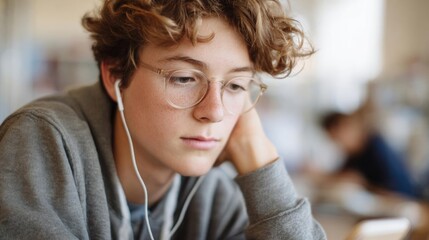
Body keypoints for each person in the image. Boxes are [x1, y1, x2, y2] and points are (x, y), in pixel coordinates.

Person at [0, 0, 326, 239]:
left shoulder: (212, 195)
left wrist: (260, 162)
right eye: (184, 78)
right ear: (115, 74)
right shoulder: (43, 141)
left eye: (236, 85)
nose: (213, 111)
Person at [320, 108, 419, 199]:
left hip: (403, 202)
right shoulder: (353, 153)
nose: (337, 143)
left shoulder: (376, 148)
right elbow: (344, 175)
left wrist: (363, 184)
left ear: (347, 127)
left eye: (337, 137)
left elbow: (396, 191)